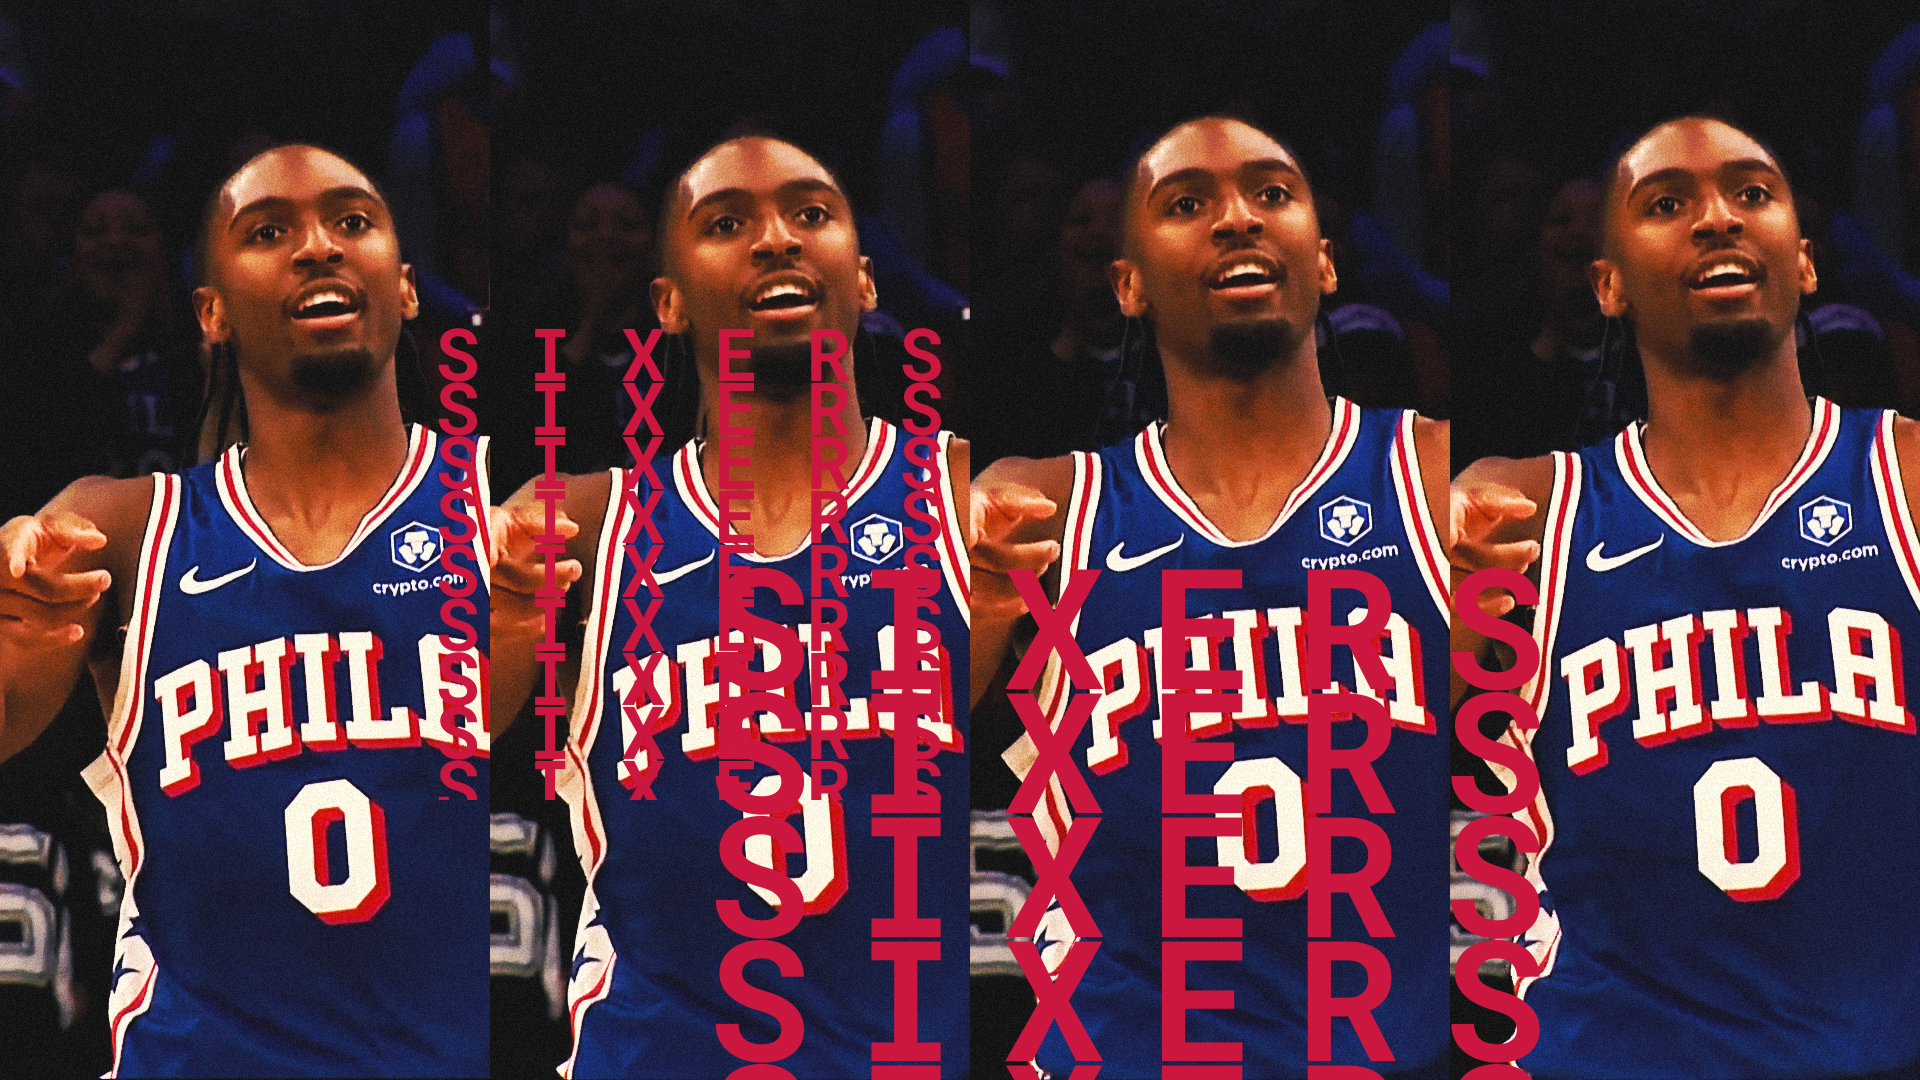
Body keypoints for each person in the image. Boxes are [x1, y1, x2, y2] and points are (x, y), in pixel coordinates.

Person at [969, 115, 1450, 1079]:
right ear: (1129, 286)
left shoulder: (1432, 477)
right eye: (1187, 204)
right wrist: (977, 607)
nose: (1238, 219)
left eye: (1273, 195)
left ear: (1325, 261)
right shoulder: (1043, 509)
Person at [0, 144, 489, 1077]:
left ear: (410, 286)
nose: (317, 248)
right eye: (268, 233)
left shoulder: (505, 516)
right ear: (211, 314)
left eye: (353, 223)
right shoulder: (126, 529)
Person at [491, 134, 972, 1078]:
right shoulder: (579, 525)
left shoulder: (964, 493)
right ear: (666, 304)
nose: (775, 241)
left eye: (811, 214)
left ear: (867, 280)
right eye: (726, 224)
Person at [1451, 115, 1920, 1078]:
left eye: (1753, 194)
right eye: (1667, 204)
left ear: (1807, 260)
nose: (1717, 219)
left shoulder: (1904, 481)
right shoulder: (1520, 511)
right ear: (1609, 286)